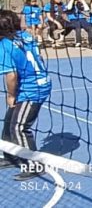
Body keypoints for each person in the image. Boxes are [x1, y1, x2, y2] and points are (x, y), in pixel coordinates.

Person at [0, 9, 51, 181]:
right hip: (35, 82)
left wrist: (10, 95)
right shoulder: (26, 35)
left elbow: (11, 75)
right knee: (9, 121)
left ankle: (34, 164)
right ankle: (10, 155)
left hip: (32, 88)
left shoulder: (5, 45)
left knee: (19, 126)